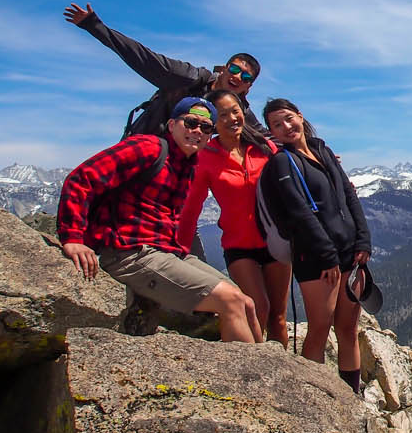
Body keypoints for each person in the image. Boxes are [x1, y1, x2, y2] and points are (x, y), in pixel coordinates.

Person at [58, 97, 261, 343]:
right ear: (172, 124)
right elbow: (82, 179)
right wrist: (73, 238)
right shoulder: (147, 148)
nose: (197, 131)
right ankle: (246, 379)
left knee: (246, 302)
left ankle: (269, 374)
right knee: (230, 301)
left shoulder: (187, 166)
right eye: (191, 123)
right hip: (130, 253)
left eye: (206, 128)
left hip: (166, 252)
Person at [261, 98, 372, 393]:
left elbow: (349, 197)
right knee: (320, 328)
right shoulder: (282, 163)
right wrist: (327, 256)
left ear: (300, 115)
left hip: (351, 254)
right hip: (317, 261)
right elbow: (298, 212)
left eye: (288, 119)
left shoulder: (322, 149)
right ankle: (313, 399)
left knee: (348, 328)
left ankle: (352, 396)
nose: (286, 127)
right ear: (271, 131)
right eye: (276, 124)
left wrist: (363, 239)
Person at [177, 90, 291, 347]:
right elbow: (191, 208)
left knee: (279, 318)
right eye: (223, 114)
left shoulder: (264, 147)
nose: (232, 118)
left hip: (275, 241)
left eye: (235, 111)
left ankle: (285, 377)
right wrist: (180, 250)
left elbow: (291, 183)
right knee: (257, 308)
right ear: (214, 122)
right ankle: (255, 370)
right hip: (239, 245)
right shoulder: (206, 156)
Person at [63, 2, 261, 138]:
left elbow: (265, 135)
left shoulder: (238, 113)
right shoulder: (187, 78)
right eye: (234, 69)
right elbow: (143, 58)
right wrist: (94, 26)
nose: (237, 76)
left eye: (245, 76)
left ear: (247, 88)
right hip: (146, 149)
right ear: (224, 69)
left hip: (183, 170)